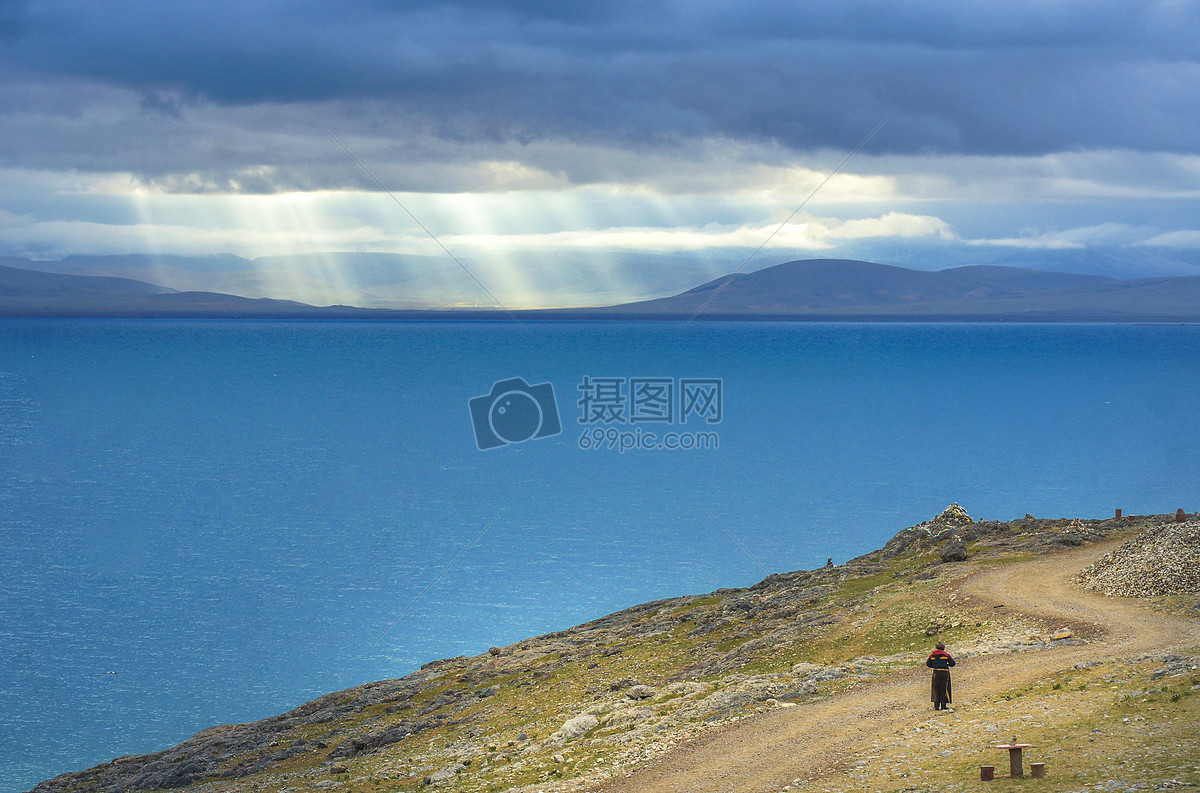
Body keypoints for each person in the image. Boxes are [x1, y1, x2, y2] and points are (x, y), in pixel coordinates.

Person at [926, 642, 955, 710]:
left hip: (936, 672)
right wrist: (947, 665)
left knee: (935, 688)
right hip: (944, 672)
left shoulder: (932, 655)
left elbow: (928, 664)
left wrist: (934, 666)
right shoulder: (946, 655)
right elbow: (953, 663)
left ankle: (936, 705)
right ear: (943, 648)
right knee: (944, 688)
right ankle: (943, 705)